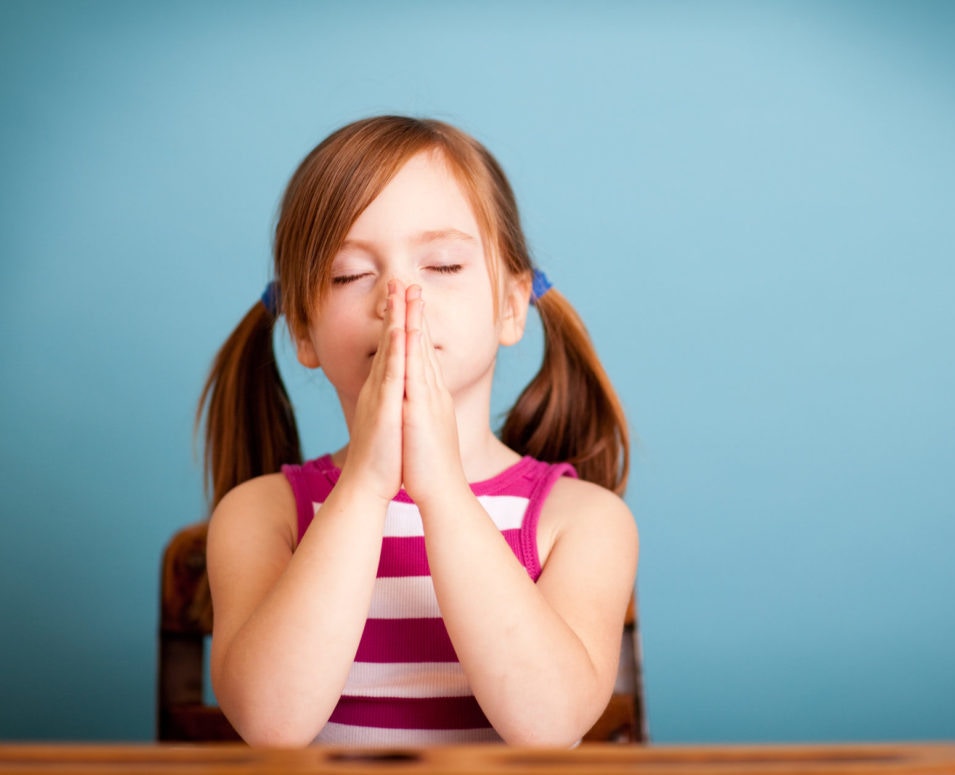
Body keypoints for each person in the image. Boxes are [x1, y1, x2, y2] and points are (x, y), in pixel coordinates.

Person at [196, 116, 638, 747]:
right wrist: (366, 488)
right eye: (349, 274)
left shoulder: (582, 520)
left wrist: (442, 493)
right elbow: (271, 724)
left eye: (444, 265)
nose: (400, 296)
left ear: (511, 305)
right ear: (302, 333)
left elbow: (550, 727)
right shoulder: (263, 515)